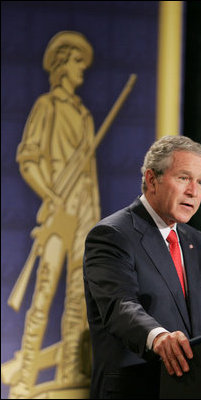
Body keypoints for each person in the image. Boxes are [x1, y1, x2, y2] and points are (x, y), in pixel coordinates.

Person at [83, 135, 201, 399]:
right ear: (151, 179)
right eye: (183, 178)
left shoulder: (194, 240)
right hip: (135, 389)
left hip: (189, 387)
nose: (194, 191)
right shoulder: (112, 235)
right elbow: (120, 306)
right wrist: (158, 337)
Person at [9, 31, 100, 399]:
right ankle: (25, 375)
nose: (82, 70)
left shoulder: (85, 115)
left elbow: (91, 176)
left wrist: (92, 220)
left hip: (83, 213)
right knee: (44, 292)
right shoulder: (47, 106)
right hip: (58, 210)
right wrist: (51, 196)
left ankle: (71, 373)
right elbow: (28, 158)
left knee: (79, 296)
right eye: (78, 61)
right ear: (62, 63)